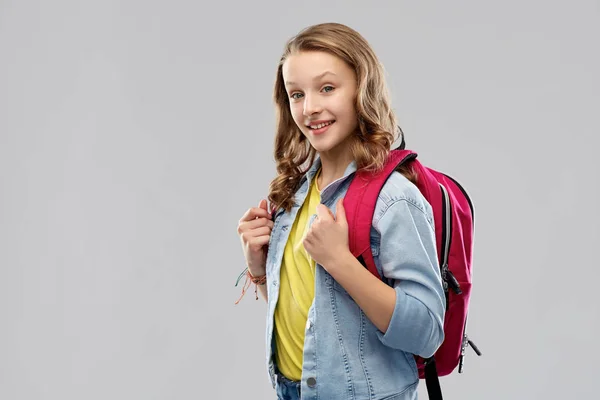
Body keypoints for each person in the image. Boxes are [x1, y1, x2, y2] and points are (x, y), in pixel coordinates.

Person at [236, 22, 446, 400]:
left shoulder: (393, 198)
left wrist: (340, 261)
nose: (310, 107)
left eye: (327, 88)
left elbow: (427, 333)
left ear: (361, 90)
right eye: (296, 94)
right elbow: (317, 312)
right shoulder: (295, 195)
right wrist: (259, 267)